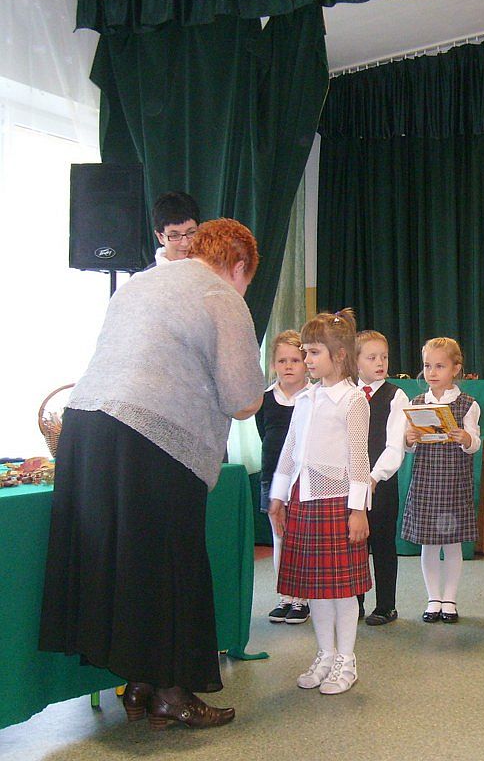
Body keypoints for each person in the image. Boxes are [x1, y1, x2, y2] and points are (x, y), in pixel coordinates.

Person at [39, 218, 265, 729]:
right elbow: (242, 398)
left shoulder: (140, 282)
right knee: (169, 563)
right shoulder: (221, 295)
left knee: (124, 564)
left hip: (86, 427)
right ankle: (171, 693)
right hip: (153, 436)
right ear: (237, 266)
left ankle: (139, 682)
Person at [268, 310, 371, 695]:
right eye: (305, 352)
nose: (306, 359)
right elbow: (290, 449)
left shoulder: (353, 400)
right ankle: (326, 654)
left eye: (313, 352)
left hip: (338, 502)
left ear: (338, 355)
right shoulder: (307, 397)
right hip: (304, 499)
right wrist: (278, 495)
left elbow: (359, 458)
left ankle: (347, 658)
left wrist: (358, 509)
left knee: (341, 588)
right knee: (316, 587)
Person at [401, 337, 481, 624]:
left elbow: (475, 443)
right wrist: (409, 439)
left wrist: (466, 438)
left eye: (439, 366)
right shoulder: (416, 403)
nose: (432, 372)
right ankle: (433, 598)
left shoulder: (467, 404)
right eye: (427, 366)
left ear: (455, 368)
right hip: (426, 481)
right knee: (429, 544)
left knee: (452, 543)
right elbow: (409, 447)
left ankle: (450, 599)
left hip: (453, 483)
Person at [354, 329, 410, 626]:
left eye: (384, 357)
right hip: (351, 483)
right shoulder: (348, 392)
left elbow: (394, 446)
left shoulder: (395, 395)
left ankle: (386, 605)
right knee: (354, 544)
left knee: (383, 543)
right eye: (372, 357)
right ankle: (354, 602)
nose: (380, 363)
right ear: (355, 361)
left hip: (381, 484)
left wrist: (375, 477)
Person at [256, 330, 311, 625]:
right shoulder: (265, 399)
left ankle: (302, 598)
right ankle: (285, 596)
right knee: (280, 537)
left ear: (306, 363)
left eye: (295, 360)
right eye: (282, 361)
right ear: (273, 364)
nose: (288, 366)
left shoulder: (313, 397)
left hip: (303, 478)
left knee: (302, 539)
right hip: (273, 476)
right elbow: (264, 433)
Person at [148, 191, 201, 267]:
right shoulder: (150, 274)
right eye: (174, 235)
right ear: (160, 237)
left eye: (191, 233)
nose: (185, 243)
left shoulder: (213, 269)